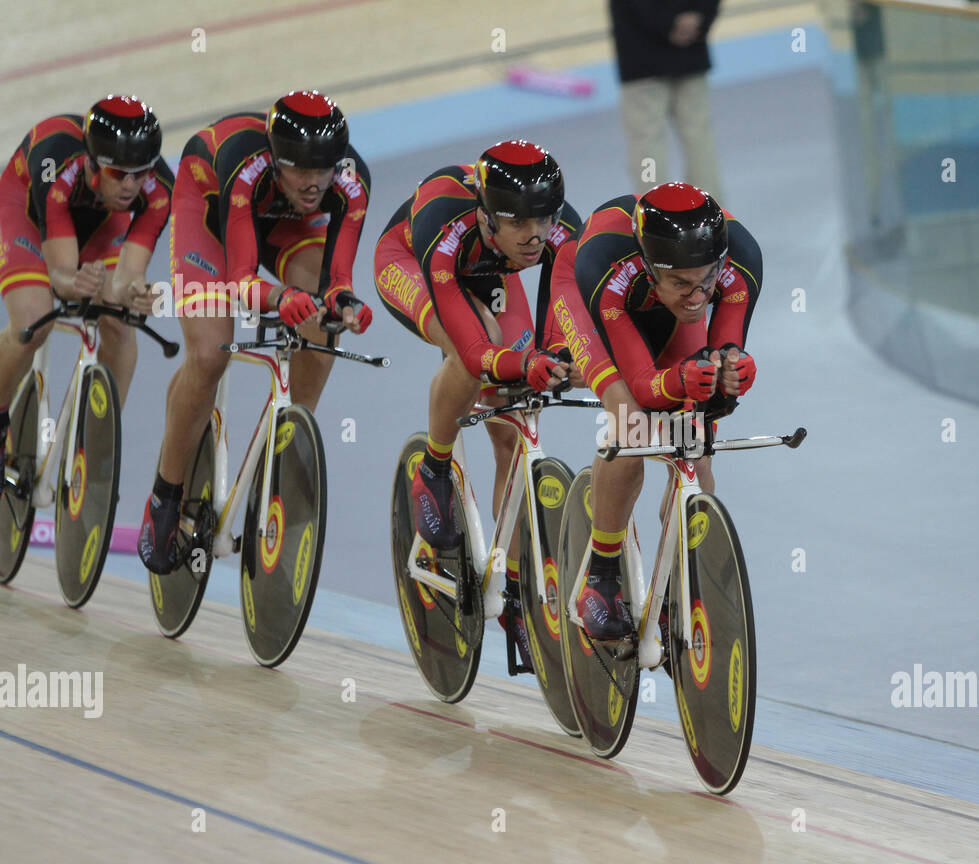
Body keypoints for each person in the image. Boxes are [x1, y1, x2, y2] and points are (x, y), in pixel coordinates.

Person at [137, 90, 372, 574]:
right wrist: (279, 298)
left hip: (283, 223)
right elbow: (242, 281)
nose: (312, 184)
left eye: (321, 171)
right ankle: (165, 494)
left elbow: (337, 279)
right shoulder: (245, 165)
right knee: (209, 355)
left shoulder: (350, 181)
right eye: (300, 171)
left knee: (322, 327)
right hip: (212, 212)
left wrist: (345, 305)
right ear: (274, 158)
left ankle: (281, 456)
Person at [372, 140, 581, 673]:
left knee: (511, 427)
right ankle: (435, 468)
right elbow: (473, 350)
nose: (536, 235)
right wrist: (518, 362)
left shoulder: (559, 228)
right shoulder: (447, 220)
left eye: (545, 220)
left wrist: (553, 354)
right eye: (520, 224)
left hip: (489, 272)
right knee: (476, 357)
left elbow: (564, 302)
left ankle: (515, 595)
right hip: (414, 264)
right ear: (489, 218)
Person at [546, 181, 761, 647]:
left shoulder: (742, 260)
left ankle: (673, 581)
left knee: (696, 450)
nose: (699, 295)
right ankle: (600, 574)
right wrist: (681, 380)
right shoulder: (606, 262)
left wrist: (732, 372)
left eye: (708, 280)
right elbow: (644, 385)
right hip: (590, 301)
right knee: (632, 424)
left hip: (662, 315)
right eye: (683, 282)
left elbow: (724, 345)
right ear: (649, 267)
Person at [0, 95, 172, 459]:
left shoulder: (159, 188)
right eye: (117, 173)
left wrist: (136, 292)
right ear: (92, 162)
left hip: (99, 221)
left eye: (139, 173)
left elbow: (129, 278)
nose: (130, 186)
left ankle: (96, 450)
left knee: (121, 323)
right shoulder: (55, 159)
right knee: (33, 321)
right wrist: (71, 282)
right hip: (27, 214)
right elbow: (62, 275)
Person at [610, 1, 723, 200]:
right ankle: (712, 210)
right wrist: (699, 17)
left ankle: (653, 211)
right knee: (698, 137)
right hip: (690, 51)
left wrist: (667, 22)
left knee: (647, 142)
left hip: (641, 53)